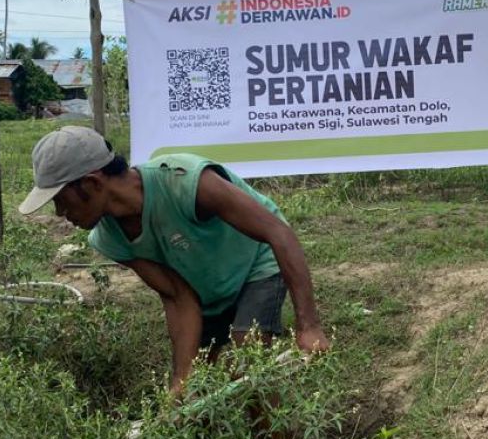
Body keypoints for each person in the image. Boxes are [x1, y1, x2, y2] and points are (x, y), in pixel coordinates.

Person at [19, 126, 330, 390]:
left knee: (246, 365)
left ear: (92, 183)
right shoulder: (109, 237)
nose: (60, 213)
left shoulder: (184, 181)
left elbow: (278, 233)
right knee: (197, 389)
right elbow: (178, 297)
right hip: (207, 289)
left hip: (257, 264)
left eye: (60, 199)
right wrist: (181, 380)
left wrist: (309, 326)